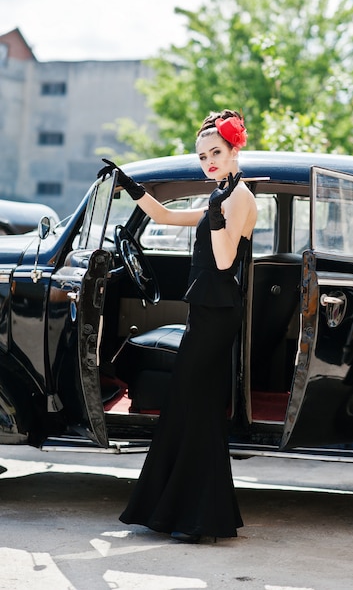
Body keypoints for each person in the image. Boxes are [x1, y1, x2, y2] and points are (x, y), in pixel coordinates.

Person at [100, 109, 257, 543]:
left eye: (215, 152)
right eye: (202, 155)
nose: (207, 161)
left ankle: (197, 517)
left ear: (233, 151)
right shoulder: (221, 194)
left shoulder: (238, 197)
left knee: (195, 406)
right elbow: (166, 218)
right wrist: (131, 185)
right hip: (205, 311)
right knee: (189, 406)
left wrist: (217, 213)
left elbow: (225, 261)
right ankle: (190, 514)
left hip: (218, 313)